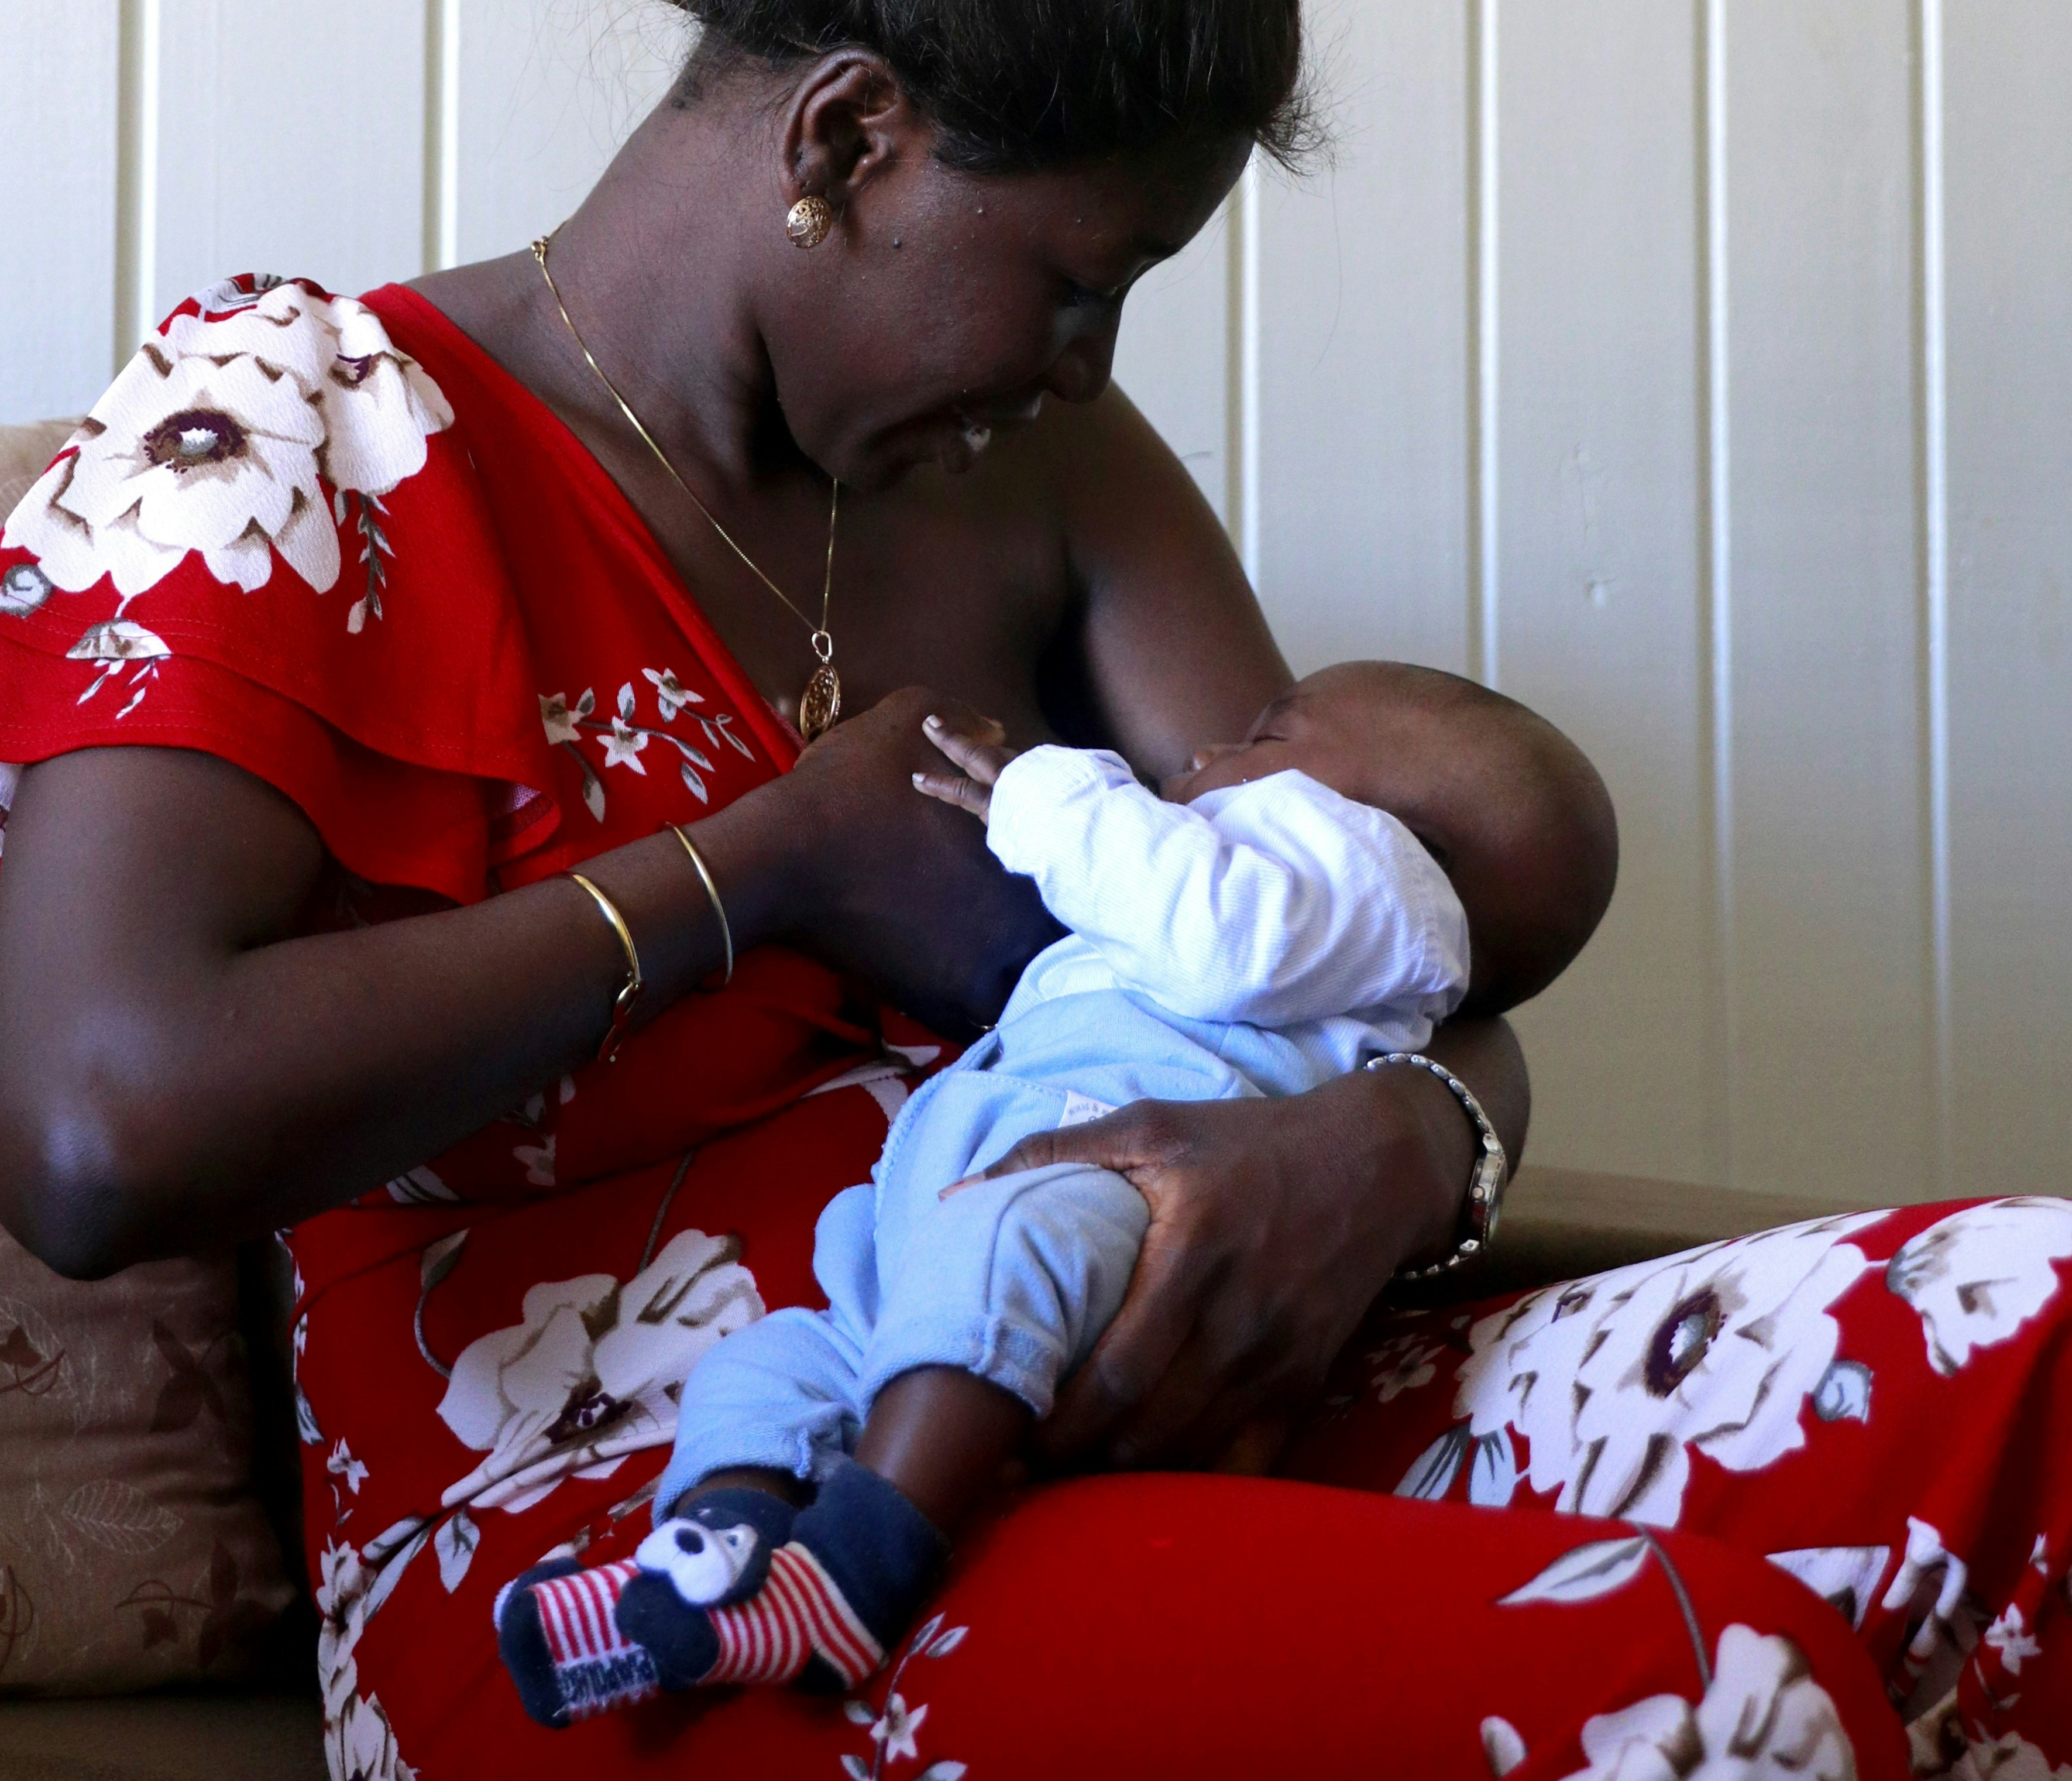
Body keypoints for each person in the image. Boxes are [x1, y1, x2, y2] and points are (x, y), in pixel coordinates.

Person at [0, 0, 2063, 1781]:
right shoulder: (297, 432)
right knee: (1692, 1695)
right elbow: (91, 1126)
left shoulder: (1049, 479)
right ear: (852, 139)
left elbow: (1384, 950)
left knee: (2038, 1347)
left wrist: (1403, 1146)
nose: (1088, 360)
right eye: (1076, 280)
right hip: (651, 1542)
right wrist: (762, 866)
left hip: (1136, 1398)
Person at [495, 663, 1564, 1721]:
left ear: (1408, 831)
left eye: (1270, 738)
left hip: (1110, 1197)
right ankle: (722, 1562)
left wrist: (1043, 791)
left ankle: (858, 1563)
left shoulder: (1377, 883)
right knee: (768, 1363)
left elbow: (1229, 940)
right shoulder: (1312, 872)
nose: (1203, 756)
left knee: (1000, 1247)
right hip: (962, 1220)